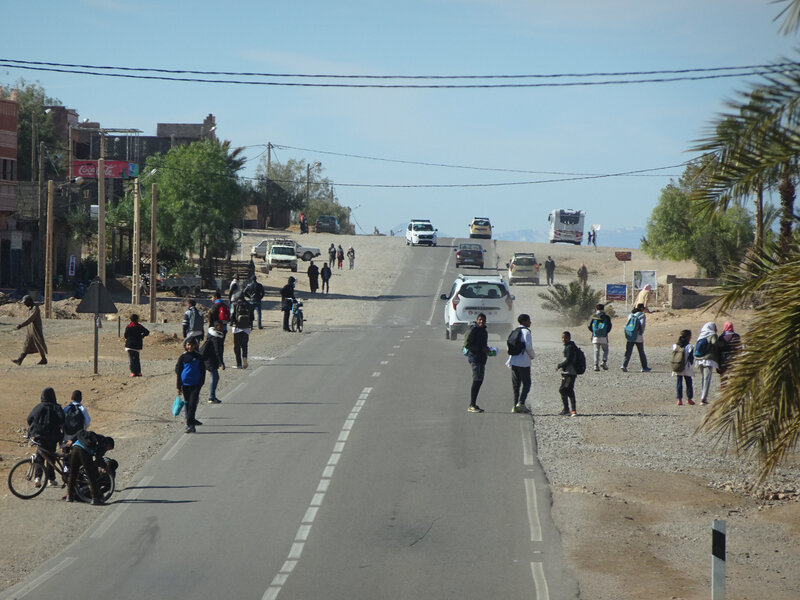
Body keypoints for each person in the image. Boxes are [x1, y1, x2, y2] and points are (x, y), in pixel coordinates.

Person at [26, 387, 64, 487]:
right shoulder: (56, 407)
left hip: (39, 436)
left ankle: (37, 478)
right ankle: (51, 479)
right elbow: (62, 419)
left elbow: (29, 419)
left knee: (40, 456)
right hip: (52, 437)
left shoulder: (38, 407)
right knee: (51, 457)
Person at [65, 429, 115, 505]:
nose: (107, 450)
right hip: (84, 451)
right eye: (108, 449)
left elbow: (79, 432)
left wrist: (72, 440)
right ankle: (95, 499)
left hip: (75, 448)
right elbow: (98, 459)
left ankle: (69, 496)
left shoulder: (96, 437)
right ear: (109, 445)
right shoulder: (103, 443)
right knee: (91, 475)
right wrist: (105, 466)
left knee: (73, 473)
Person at [176, 337, 206, 433]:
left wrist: (201, 383)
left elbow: (202, 371)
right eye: (188, 345)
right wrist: (178, 386)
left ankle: (190, 425)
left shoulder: (199, 357)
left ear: (195, 346)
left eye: (192, 345)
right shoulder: (183, 357)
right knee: (188, 404)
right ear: (185, 346)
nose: (190, 347)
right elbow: (179, 371)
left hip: (196, 385)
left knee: (192, 404)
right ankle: (190, 424)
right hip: (185, 385)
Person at [506, 314, 535, 413]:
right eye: (528, 321)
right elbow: (528, 346)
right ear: (524, 322)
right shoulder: (526, 332)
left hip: (514, 361)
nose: (530, 322)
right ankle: (521, 403)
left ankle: (514, 406)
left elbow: (509, 346)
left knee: (516, 384)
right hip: (523, 362)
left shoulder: (515, 331)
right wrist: (532, 355)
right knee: (527, 383)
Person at [464, 313, 490, 413]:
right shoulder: (473, 330)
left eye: (483, 320)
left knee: (479, 381)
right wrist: (480, 349)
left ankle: (473, 404)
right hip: (475, 358)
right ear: (477, 320)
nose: (481, 322)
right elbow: (467, 344)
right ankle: (472, 405)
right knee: (476, 380)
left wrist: (487, 349)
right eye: (480, 320)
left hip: (482, 359)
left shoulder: (484, 331)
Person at [12, 295, 48, 365]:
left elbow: (31, 319)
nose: (25, 304)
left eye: (25, 302)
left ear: (30, 301)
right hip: (30, 330)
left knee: (38, 343)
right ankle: (20, 360)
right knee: (27, 344)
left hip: (36, 330)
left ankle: (44, 359)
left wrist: (21, 325)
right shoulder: (30, 308)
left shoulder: (35, 308)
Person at [694, 322, 719, 405]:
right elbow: (715, 343)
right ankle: (703, 399)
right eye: (715, 327)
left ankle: (703, 397)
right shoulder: (712, 334)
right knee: (707, 379)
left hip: (699, 359)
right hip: (708, 360)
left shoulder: (701, 335)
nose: (716, 329)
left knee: (704, 378)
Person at [621, 303, 650, 372]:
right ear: (642, 308)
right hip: (638, 336)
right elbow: (642, 325)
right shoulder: (642, 315)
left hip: (630, 335)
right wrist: (640, 333)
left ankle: (624, 365)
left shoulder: (630, 315)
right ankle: (644, 367)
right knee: (641, 352)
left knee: (628, 351)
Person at [555, 331, 579, 416]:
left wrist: (559, 365)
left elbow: (568, 360)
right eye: (562, 338)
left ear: (569, 338)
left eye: (565, 338)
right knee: (568, 390)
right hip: (568, 372)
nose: (563, 339)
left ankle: (570, 410)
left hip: (570, 373)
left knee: (563, 390)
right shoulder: (570, 346)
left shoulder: (569, 347)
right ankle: (569, 410)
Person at [202, 321, 225, 403]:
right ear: (216, 327)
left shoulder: (212, 335)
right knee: (215, 376)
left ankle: (212, 396)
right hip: (210, 360)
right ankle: (211, 397)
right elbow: (217, 351)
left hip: (209, 359)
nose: (222, 328)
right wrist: (221, 362)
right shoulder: (216, 338)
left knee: (214, 376)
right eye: (221, 326)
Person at [672, 330, 695, 406]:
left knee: (679, 382)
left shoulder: (675, 345)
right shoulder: (690, 347)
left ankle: (679, 399)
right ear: (688, 337)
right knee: (688, 382)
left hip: (678, 366)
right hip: (686, 367)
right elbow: (691, 359)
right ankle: (689, 399)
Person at [230, 294, 254, 368]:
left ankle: (239, 364)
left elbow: (232, 315)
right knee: (244, 345)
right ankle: (245, 358)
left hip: (237, 328)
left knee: (236, 347)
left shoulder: (235, 305)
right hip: (246, 328)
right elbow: (252, 317)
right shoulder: (249, 305)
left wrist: (232, 323)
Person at [587, 303, 612, 371]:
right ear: (603, 309)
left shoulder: (594, 316)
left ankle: (596, 365)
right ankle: (604, 361)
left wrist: (594, 331)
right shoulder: (606, 317)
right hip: (604, 336)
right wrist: (605, 332)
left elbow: (589, 326)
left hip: (595, 336)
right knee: (606, 350)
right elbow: (609, 327)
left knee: (596, 351)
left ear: (596, 309)